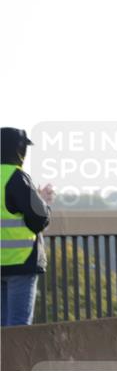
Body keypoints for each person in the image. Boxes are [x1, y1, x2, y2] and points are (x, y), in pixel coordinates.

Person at [1, 127, 53, 327]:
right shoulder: (16, 177)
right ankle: (15, 361)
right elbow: (39, 218)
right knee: (19, 328)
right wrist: (45, 202)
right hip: (21, 262)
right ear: (19, 149)